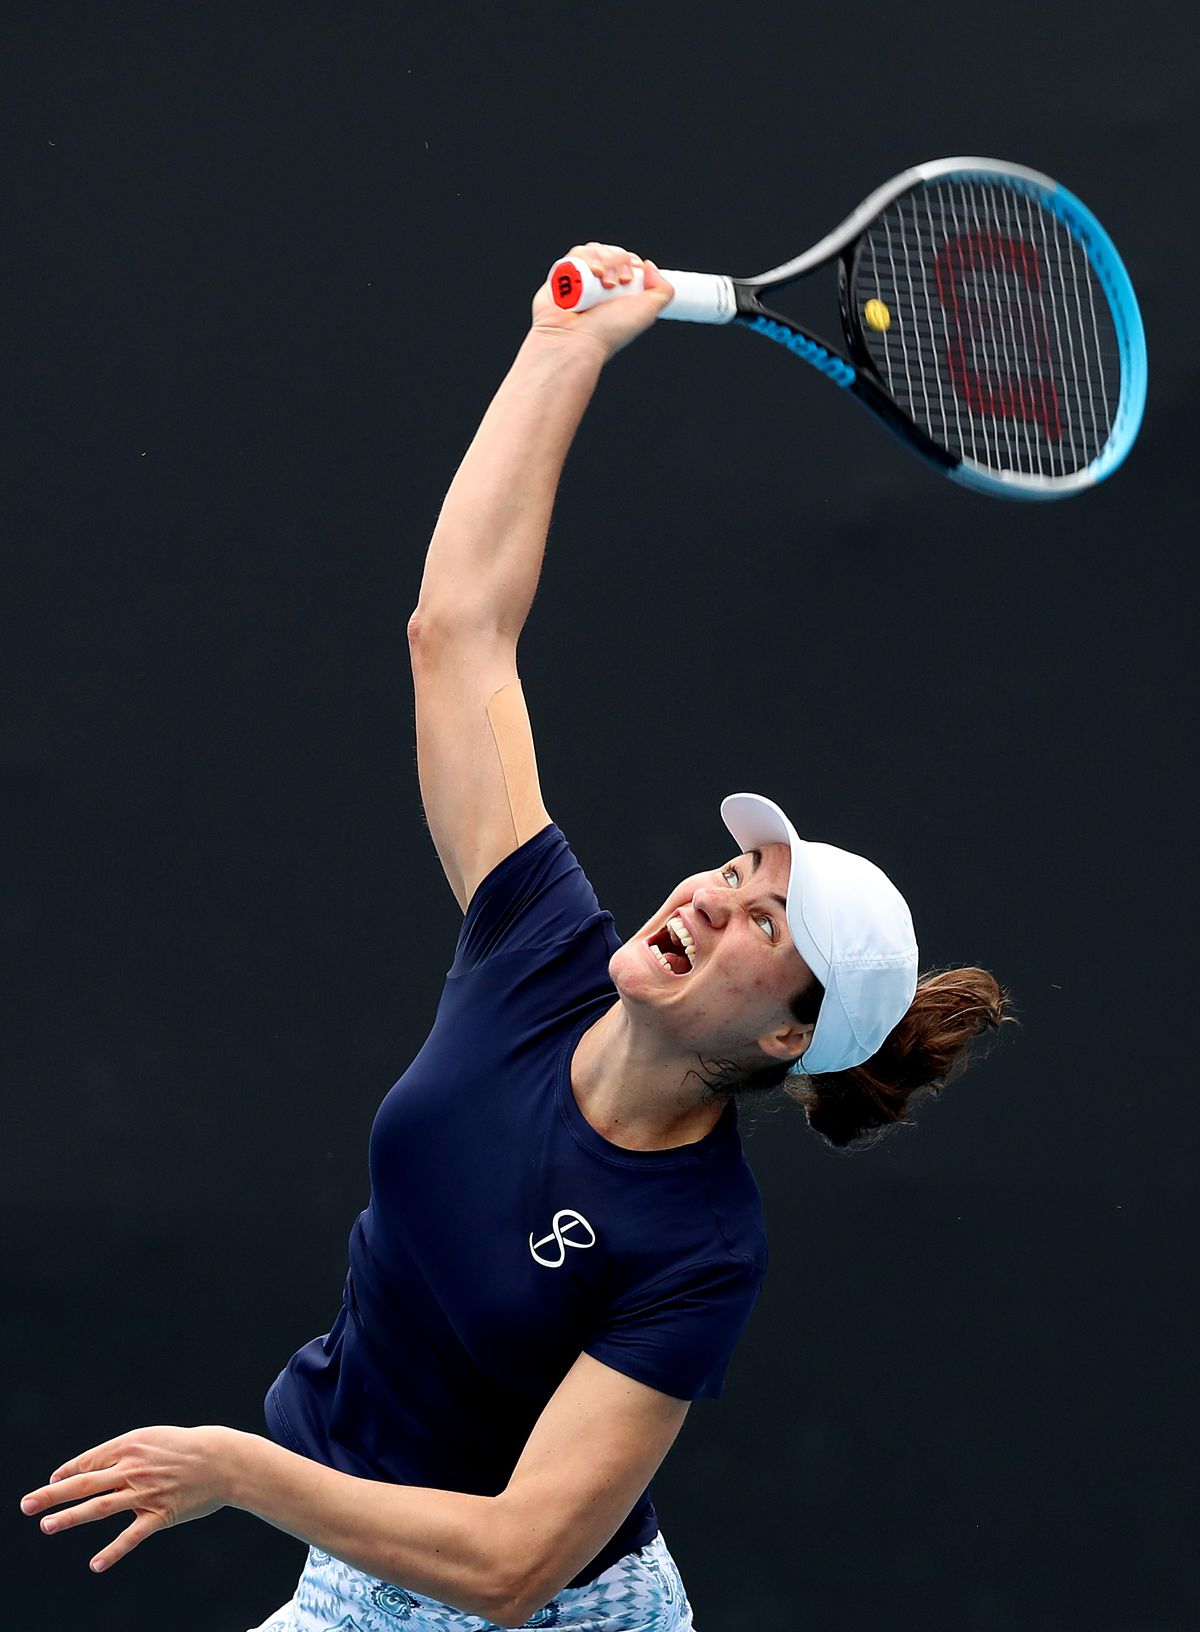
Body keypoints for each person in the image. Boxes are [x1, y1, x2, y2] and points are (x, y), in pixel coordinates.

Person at [18, 244, 1011, 1630]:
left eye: (764, 920)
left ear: (789, 1035)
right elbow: (459, 634)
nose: (712, 896)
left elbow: (514, 1564)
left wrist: (242, 1471)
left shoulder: (698, 1248)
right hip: (364, 1553)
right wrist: (568, 349)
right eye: (734, 865)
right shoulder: (540, 946)